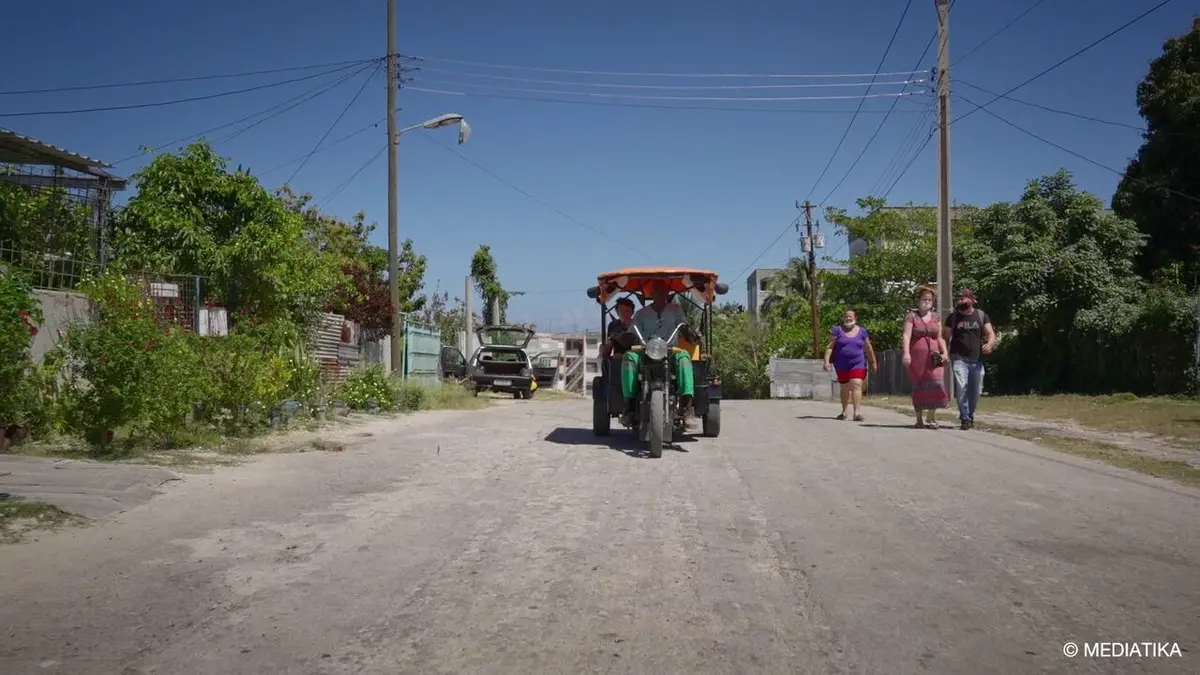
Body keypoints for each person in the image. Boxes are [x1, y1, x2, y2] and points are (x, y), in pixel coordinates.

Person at [620, 281, 698, 419]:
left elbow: (683, 326)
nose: (660, 293)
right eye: (656, 290)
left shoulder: (676, 310)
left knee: (684, 356)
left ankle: (687, 406)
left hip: (670, 350)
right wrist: (625, 338)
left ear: (668, 293)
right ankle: (629, 403)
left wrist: (691, 335)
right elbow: (632, 332)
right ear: (652, 293)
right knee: (629, 357)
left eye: (663, 290)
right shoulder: (641, 314)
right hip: (645, 350)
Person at [943, 288, 996, 430]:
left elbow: (991, 334)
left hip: (977, 359)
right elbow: (945, 338)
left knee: (976, 390)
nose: (960, 301)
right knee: (962, 387)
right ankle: (964, 417)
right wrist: (944, 353)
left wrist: (990, 344)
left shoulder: (981, 315)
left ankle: (970, 414)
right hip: (959, 358)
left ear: (972, 300)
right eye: (958, 299)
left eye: (963, 298)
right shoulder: (952, 318)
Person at [901, 286, 950, 428]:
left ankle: (931, 416)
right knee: (919, 386)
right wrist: (906, 353)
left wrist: (944, 352)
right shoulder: (911, 316)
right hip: (917, 358)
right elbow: (906, 335)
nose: (927, 301)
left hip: (934, 357)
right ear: (919, 300)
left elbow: (940, 337)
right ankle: (919, 419)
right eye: (924, 299)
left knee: (937, 384)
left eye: (929, 299)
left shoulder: (936, 317)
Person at [823, 309, 877, 421]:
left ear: (855, 318)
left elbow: (868, 348)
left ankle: (857, 413)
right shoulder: (837, 330)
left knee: (856, 384)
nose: (848, 318)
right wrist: (826, 361)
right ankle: (844, 411)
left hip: (858, 362)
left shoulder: (862, 331)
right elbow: (829, 347)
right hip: (841, 364)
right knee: (845, 387)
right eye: (846, 316)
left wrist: (873, 362)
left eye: (850, 317)